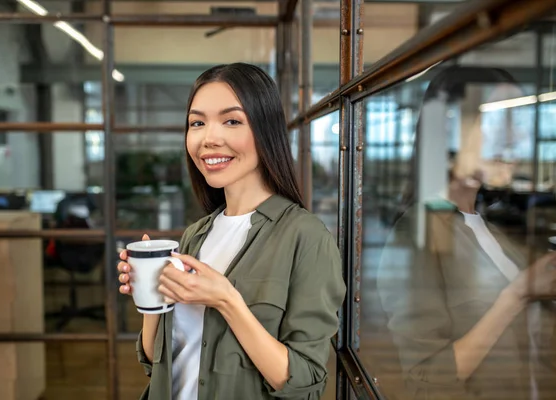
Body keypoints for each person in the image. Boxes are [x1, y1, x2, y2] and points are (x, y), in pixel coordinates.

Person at [116, 63, 346, 400]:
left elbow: (305, 382)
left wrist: (227, 301)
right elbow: (155, 361)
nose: (209, 139)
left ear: (265, 130)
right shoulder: (195, 235)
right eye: (197, 123)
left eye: (232, 121)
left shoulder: (305, 238)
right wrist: (152, 297)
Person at [376, 66, 556, 400]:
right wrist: (516, 295)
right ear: (450, 130)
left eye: (517, 122)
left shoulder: (484, 223)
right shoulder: (418, 234)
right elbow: (425, 379)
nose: (516, 139)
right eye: (501, 121)